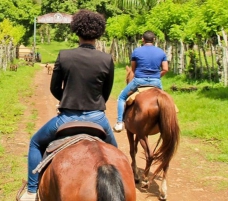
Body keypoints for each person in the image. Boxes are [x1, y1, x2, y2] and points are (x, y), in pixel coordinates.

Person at [20, 9, 117, 201]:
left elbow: (54, 87)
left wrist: (66, 99)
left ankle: (31, 191)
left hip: (67, 117)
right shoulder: (106, 59)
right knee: (115, 153)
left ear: (76, 31)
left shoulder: (64, 56)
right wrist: (94, 105)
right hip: (98, 118)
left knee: (35, 142)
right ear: (98, 33)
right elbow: (106, 92)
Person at [113, 30, 169, 132]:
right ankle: (167, 122)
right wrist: (157, 76)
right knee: (165, 100)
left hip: (139, 81)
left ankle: (119, 123)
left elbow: (133, 70)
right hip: (156, 82)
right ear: (154, 39)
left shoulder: (137, 51)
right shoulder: (161, 52)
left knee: (121, 97)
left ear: (142, 39)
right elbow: (165, 69)